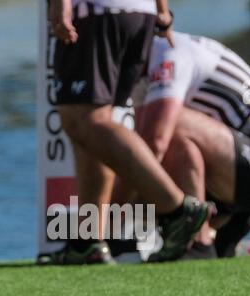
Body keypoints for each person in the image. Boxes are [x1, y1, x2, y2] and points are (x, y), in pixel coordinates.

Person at [48, 1, 208, 265]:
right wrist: (162, 10)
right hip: (139, 15)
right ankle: (88, 240)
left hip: (95, 12)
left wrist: (60, 5)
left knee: (84, 120)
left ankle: (177, 208)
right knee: (94, 127)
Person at [131, 31, 250, 260]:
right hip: (233, 166)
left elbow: (154, 144)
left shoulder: (169, 53)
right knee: (155, 142)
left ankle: (197, 240)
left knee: (167, 126)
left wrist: (103, 219)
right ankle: (208, 233)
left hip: (241, 162)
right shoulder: (142, 67)